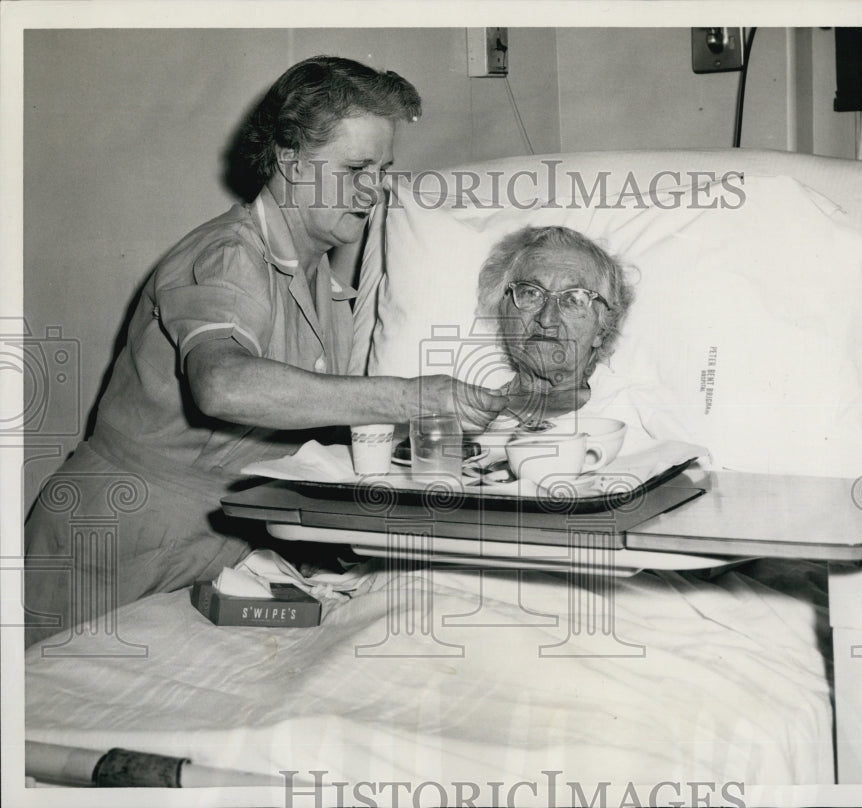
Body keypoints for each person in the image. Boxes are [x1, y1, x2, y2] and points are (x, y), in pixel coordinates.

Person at [23, 55, 506, 647]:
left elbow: (306, 416)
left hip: (215, 537)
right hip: (118, 537)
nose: (376, 188)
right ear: (289, 161)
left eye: (383, 168)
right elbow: (223, 384)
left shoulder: (318, 275)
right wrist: (410, 397)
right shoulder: (228, 255)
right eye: (355, 167)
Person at [476, 225, 634, 426]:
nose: (547, 318)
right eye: (531, 293)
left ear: (602, 330)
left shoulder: (633, 412)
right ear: (504, 310)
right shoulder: (462, 416)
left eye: (574, 299)